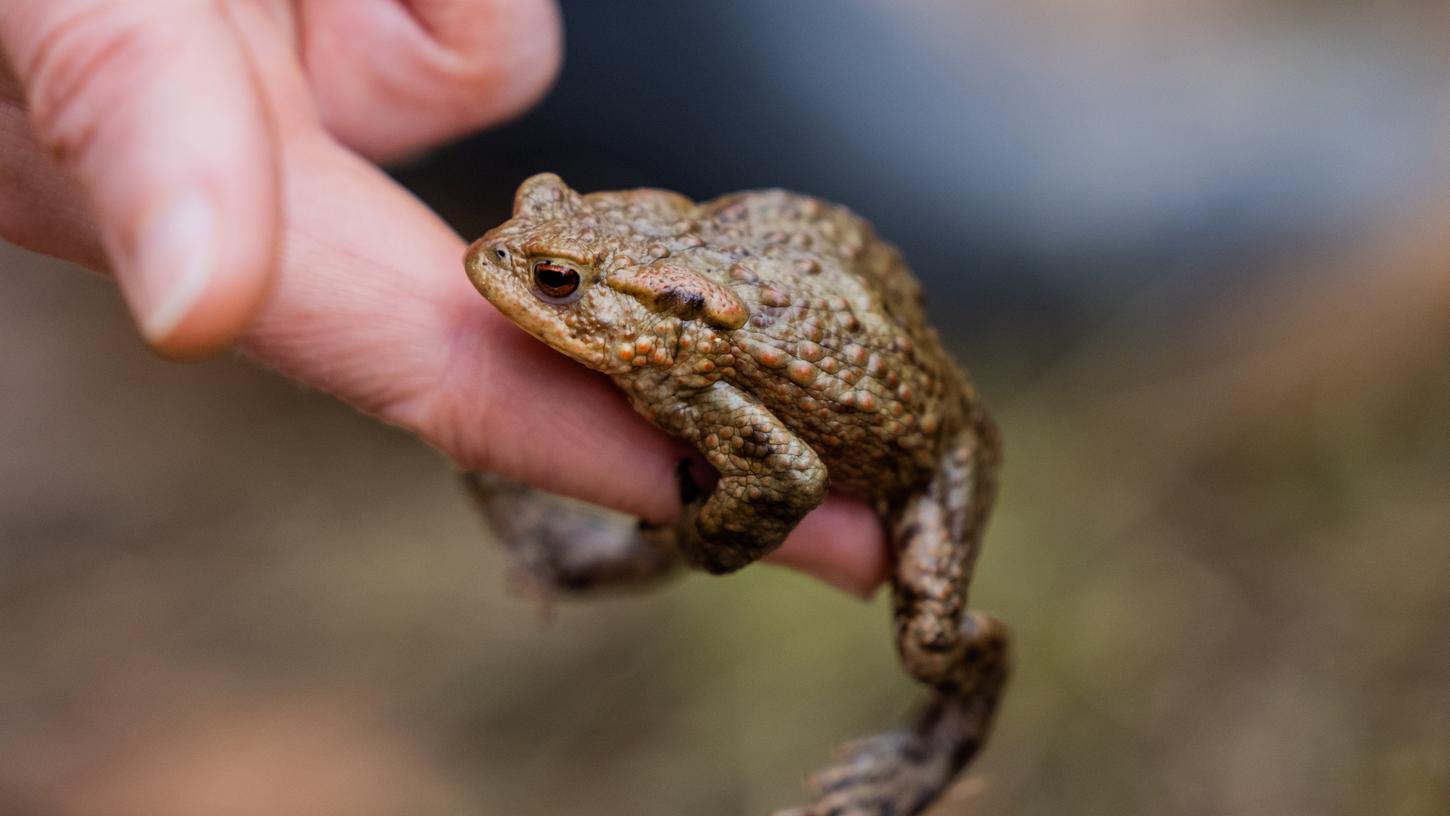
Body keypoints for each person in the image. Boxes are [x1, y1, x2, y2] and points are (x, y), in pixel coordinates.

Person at [0, 0, 885, 596]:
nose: (496, 257)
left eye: (554, 283)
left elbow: (792, 472)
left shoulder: (710, 367)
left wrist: (701, 538)